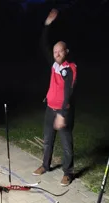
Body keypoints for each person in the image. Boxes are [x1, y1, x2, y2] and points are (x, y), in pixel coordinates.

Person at [33, 8, 77, 187]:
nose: (57, 54)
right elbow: (43, 43)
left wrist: (62, 113)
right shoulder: (53, 64)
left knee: (66, 144)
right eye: (55, 51)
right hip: (50, 108)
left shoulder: (70, 68)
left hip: (64, 111)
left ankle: (68, 173)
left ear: (66, 51)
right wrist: (47, 24)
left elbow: (69, 91)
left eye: (60, 51)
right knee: (48, 140)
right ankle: (45, 165)